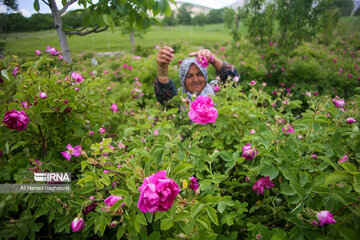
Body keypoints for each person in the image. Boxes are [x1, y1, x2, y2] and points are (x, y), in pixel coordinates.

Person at [154, 46, 240, 104]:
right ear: (183, 80)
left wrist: (212, 58)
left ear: (205, 76)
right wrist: (162, 69)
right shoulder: (180, 99)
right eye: (189, 76)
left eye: (199, 74)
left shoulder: (216, 90)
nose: (195, 79)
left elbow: (233, 79)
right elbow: (164, 97)